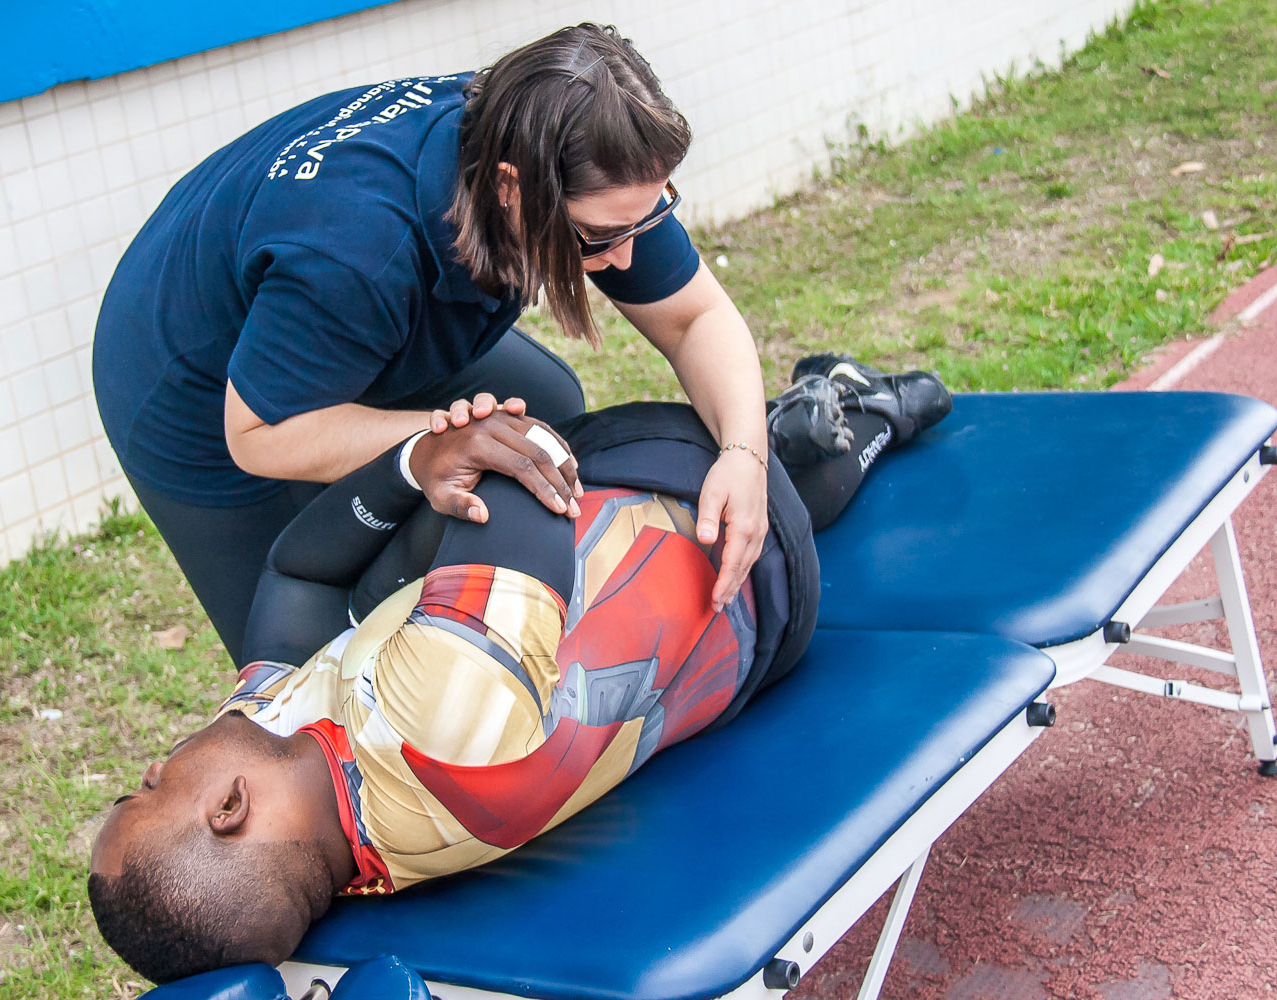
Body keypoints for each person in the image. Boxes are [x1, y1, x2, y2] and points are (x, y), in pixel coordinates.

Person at [86, 358, 951, 984]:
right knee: (754, 468)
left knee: (423, 519)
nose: (156, 762)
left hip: (612, 556)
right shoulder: (439, 726)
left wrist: (406, 468)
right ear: (229, 809)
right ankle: (855, 421)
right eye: (150, 787)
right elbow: (529, 472)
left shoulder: (289, 756)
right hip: (738, 569)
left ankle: (817, 423)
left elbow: (295, 574)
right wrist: (437, 458)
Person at [91, 23, 776, 668]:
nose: (627, 259)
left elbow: (694, 319)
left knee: (547, 408)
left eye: (646, 219)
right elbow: (260, 433)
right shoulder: (360, 252)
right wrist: (442, 440)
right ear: (512, 188)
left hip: (321, 304)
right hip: (195, 387)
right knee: (307, 667)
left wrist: (746, 456)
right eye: (597, 238)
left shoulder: (578, 150)